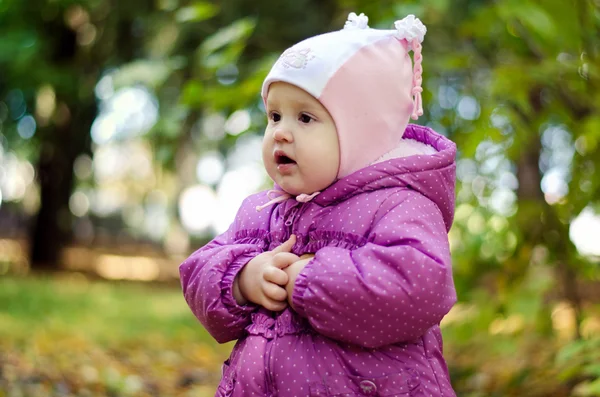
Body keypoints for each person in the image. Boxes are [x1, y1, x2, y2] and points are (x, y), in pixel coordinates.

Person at [180, 11, 457, 396]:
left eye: (305, 118)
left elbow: (419, 285)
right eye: (274, 115)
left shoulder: (398, 204)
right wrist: (242, 279)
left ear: (361, 133)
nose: (280, 132)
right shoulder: (261, 211)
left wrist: (310, 281)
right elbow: (198, 272)